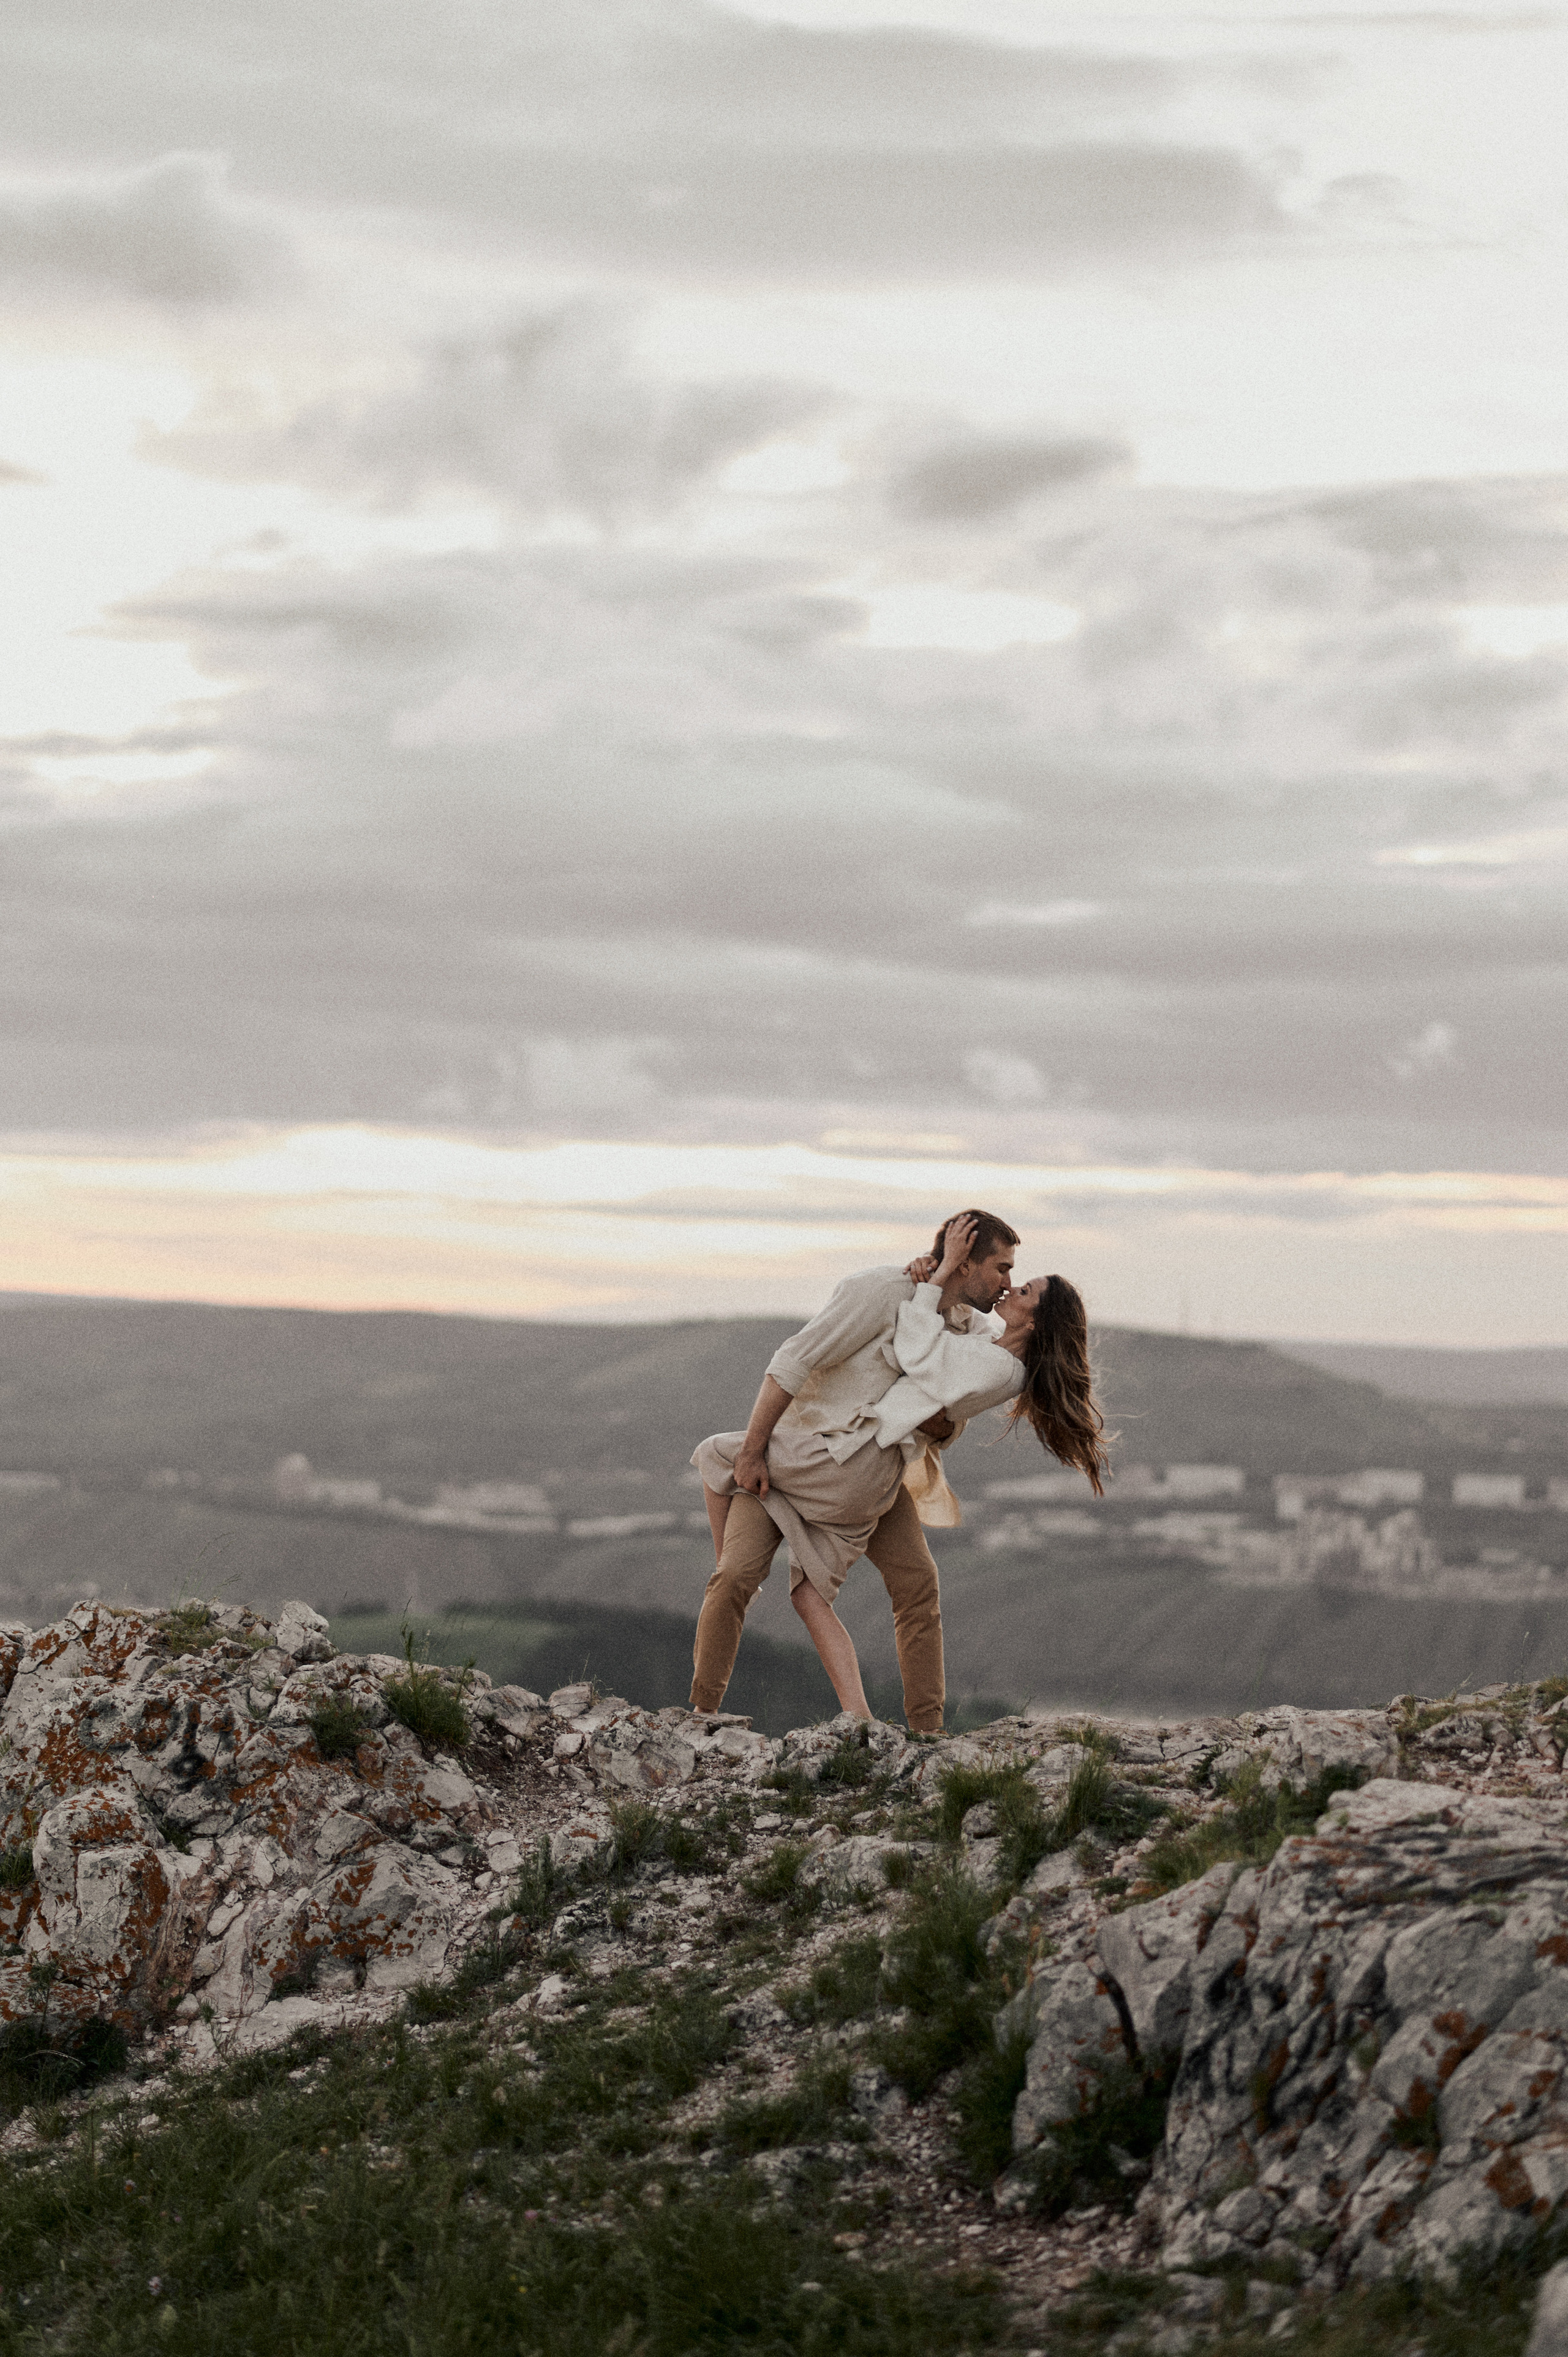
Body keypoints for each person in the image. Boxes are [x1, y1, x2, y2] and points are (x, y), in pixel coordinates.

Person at [688, 1209, 1030, 1735]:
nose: (1008, 1282)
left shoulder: (971, 1327)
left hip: (870, 1468)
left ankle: (927, 1732)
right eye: (1002, 1267)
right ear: (964, 1261)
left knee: (917, 1584)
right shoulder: (879, 1291)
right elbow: (792, 1359)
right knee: (734, 1575)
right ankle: (702, 1717)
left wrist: (942, 1427)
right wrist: (755, 1450)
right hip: (800, 1455)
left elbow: (950, 1409)